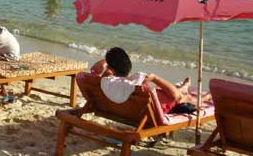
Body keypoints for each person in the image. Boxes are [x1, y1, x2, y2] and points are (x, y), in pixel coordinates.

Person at [75, 47, 211, 116]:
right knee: (182, 97)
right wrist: (155, 78)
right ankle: (204, 97)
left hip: (125, 108)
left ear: (110, 68)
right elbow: (175, 97)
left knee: (176, 92)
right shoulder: (137, 87)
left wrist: (108, 61)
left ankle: (183, 87)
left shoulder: (104, 82)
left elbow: (94, 69)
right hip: (151, 108)